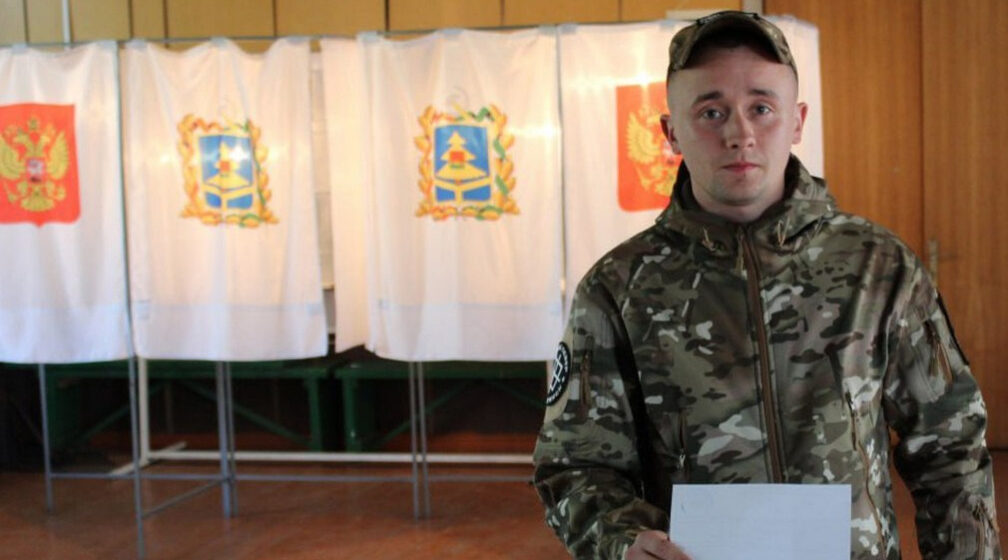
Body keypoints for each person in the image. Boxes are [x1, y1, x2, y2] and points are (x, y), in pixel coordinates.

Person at [533, 11, 1001, 560]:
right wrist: (619, 539)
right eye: (711, 112)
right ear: (671, 132)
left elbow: (951, 449)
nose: (739, 134)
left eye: (761, 108)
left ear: (797, 121)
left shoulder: (878, 268)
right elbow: (576, 464)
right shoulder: (620, 287)